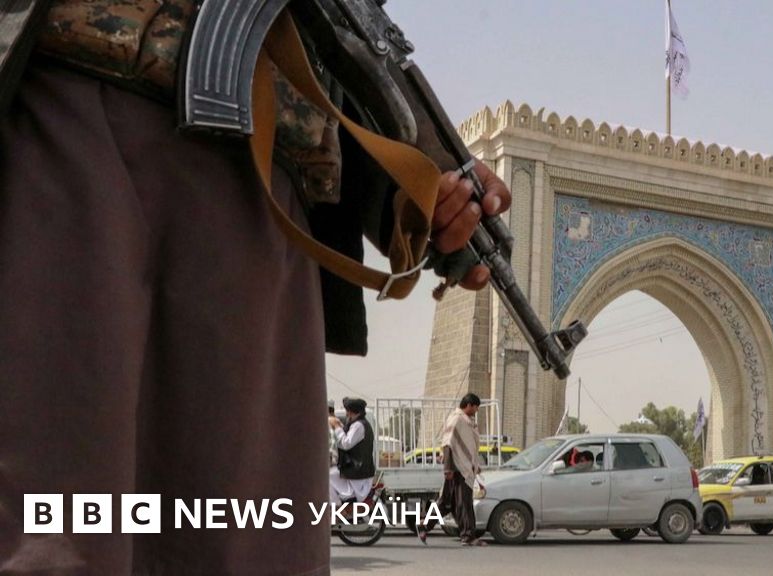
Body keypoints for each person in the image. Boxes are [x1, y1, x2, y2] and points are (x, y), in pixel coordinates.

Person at [0, 3, 511, 575]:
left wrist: (424, 191)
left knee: (245, 538)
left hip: (265, 191)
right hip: (71, 129)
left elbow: (339, 46)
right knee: (57, 529)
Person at [419, 393, 485, 546]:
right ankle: (468, 536)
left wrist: (474, 465)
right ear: (469, 405)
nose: (476, 410)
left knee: (447, 503)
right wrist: (448, 469)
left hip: (461, 467)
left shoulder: (466, 421)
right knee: (464, 503)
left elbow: (469, 447)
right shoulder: (457, 420)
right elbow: (448, 444)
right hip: (458, 469)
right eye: (476, 407)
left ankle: (424, 525)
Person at [335, 398, 375, 509]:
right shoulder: (359, 424)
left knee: (329, 476)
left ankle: (339, 511)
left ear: (352, 412)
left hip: (357, 473)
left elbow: (346, 443)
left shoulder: (358, 425)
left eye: (347, 411)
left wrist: (337, 428)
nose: (346, 414)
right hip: (358, 473)